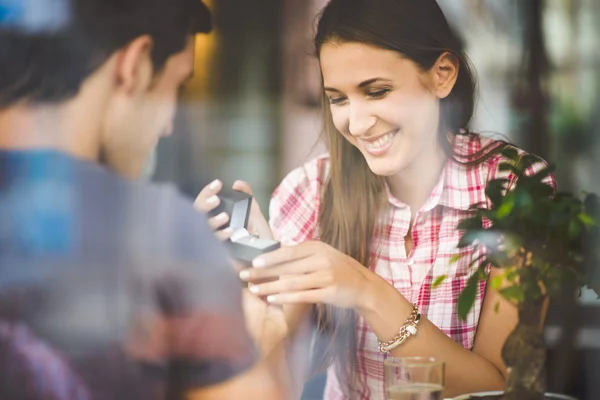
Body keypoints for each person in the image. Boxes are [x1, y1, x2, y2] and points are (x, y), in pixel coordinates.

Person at [197, 0, 556, 398]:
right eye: (338, 99)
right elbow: (270, 381)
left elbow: (502, 388)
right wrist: (254, 293)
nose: (357, 122)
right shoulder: (312, 190)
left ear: (442, 75)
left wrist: (366, 290)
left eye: (377, 91)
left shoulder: (515, 188)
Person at [0, 0, 285, 399]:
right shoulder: (160, 235)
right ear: (134, 65)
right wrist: (259, 338)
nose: (169, 123)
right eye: (176, 87)